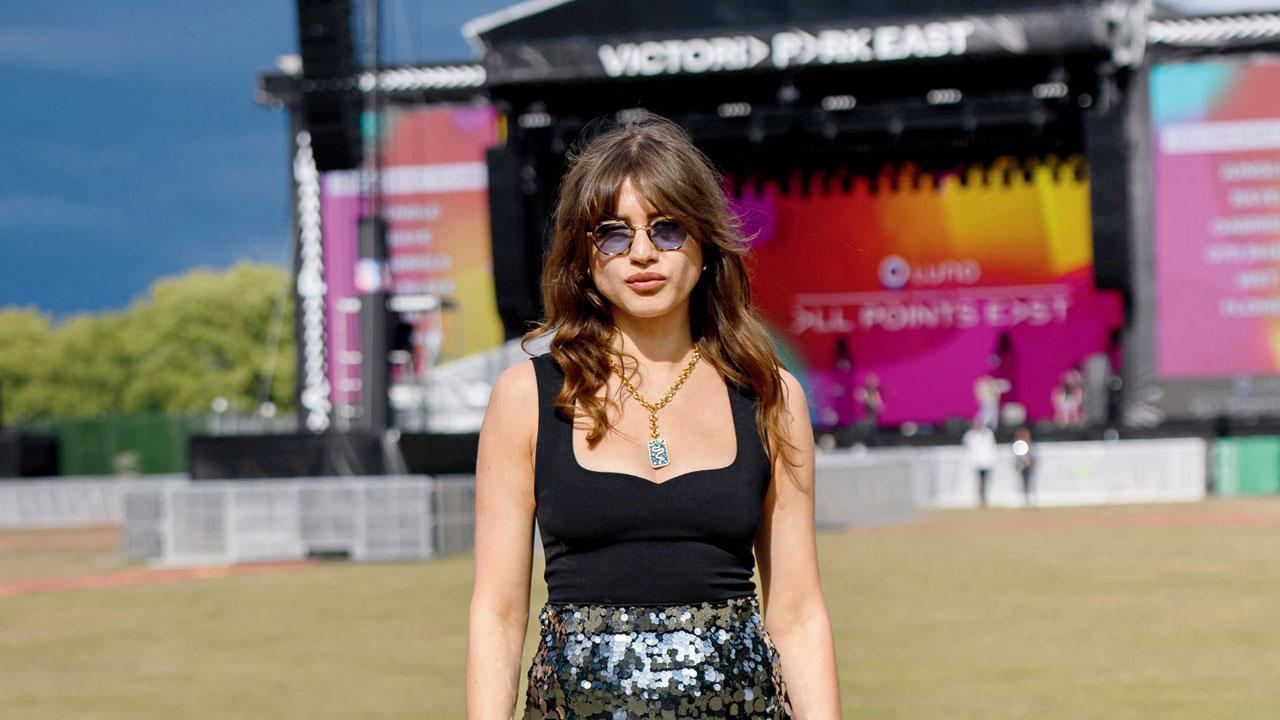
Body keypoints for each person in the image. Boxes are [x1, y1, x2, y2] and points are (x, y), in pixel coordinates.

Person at [466, 112, 841, 719]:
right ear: (584, 256)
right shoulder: (523, 397)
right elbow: (499, 612)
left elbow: (797, 614)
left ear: (704, 242)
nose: (642, 253)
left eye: (666, 230)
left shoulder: (773, 398)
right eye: (613, 233)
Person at [962, 419, 997, 508]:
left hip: (986, 461)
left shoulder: (987, 433)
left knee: (985, 481)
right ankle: (978, 498)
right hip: (976, 462)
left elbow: (991, 446)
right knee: (978, 481)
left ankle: (984, 498)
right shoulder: (970, 435)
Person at [1012, 426, 1036, 507]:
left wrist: (1028, 462)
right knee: (1023, 482)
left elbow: (1030, 456)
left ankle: (1028, 499)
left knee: (1028, 482)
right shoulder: (1019, 444)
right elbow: (1018, 456)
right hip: (1022, 466)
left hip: (1028, 466)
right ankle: (1024, 499)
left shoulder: (1029, 444)